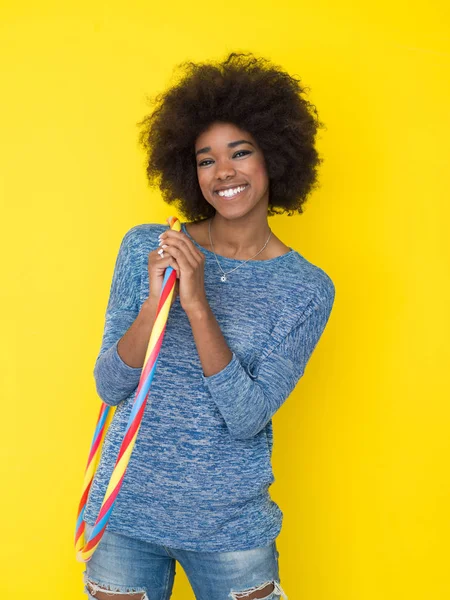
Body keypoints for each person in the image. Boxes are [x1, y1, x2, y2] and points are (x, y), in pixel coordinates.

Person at [82, 52, 335, 600]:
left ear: (275, 157)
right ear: (187, 170)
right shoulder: (147, 247)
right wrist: (156, 304)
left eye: (240, 152)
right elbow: (110, 385)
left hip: (229, 533)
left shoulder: (307, 289)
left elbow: (246, 417)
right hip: (125, 518)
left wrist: (196, 305)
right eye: (205, 160)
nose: (223, 172)